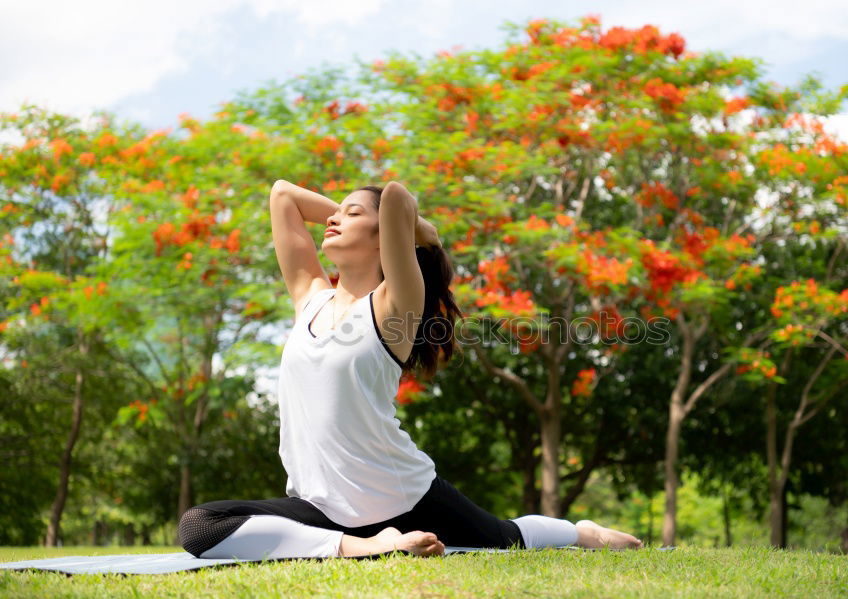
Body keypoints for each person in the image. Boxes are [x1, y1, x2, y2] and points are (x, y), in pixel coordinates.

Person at [177, 179, 644, 559]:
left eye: (353, 214)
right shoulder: (310, 299)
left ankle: (583, 533)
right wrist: (357, 213)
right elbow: (283, 195)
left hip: (402, 495)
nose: (335, 218)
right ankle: (361, 547)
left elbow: (398, 196)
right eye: (334, 213)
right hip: (320, 506)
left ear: (387, 235)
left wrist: (422, 233)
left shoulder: (393, 307)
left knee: (506, 536)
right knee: (199, 527)